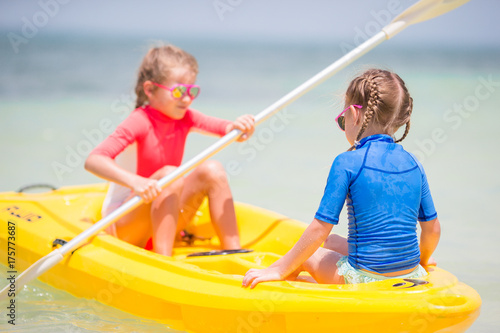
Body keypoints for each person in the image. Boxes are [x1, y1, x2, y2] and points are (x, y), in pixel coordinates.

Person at [242, 69, 441, 288]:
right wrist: (420, 262)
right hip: (411, 272)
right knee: (333, 242)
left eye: (342, 118)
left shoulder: (347, 162)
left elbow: (319, 228)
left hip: (363, 278)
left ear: (354, 115)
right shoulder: (414, 163)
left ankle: (290, 301)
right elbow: (432, 230)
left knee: (308, 255)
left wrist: (278, 268)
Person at [85, 44, 255, 256]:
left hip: (162, 214)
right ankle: (163, 259)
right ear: (150, 89)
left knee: (213, 170)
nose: (186, 99)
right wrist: (136, 182)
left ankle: (234, 252)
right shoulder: (139, 120)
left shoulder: (185, 117)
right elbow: (94, 160)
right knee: (169, 175)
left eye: (192, 91)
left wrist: (240, 127)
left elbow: (227, 129)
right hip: (126, 225)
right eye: (179, 91)